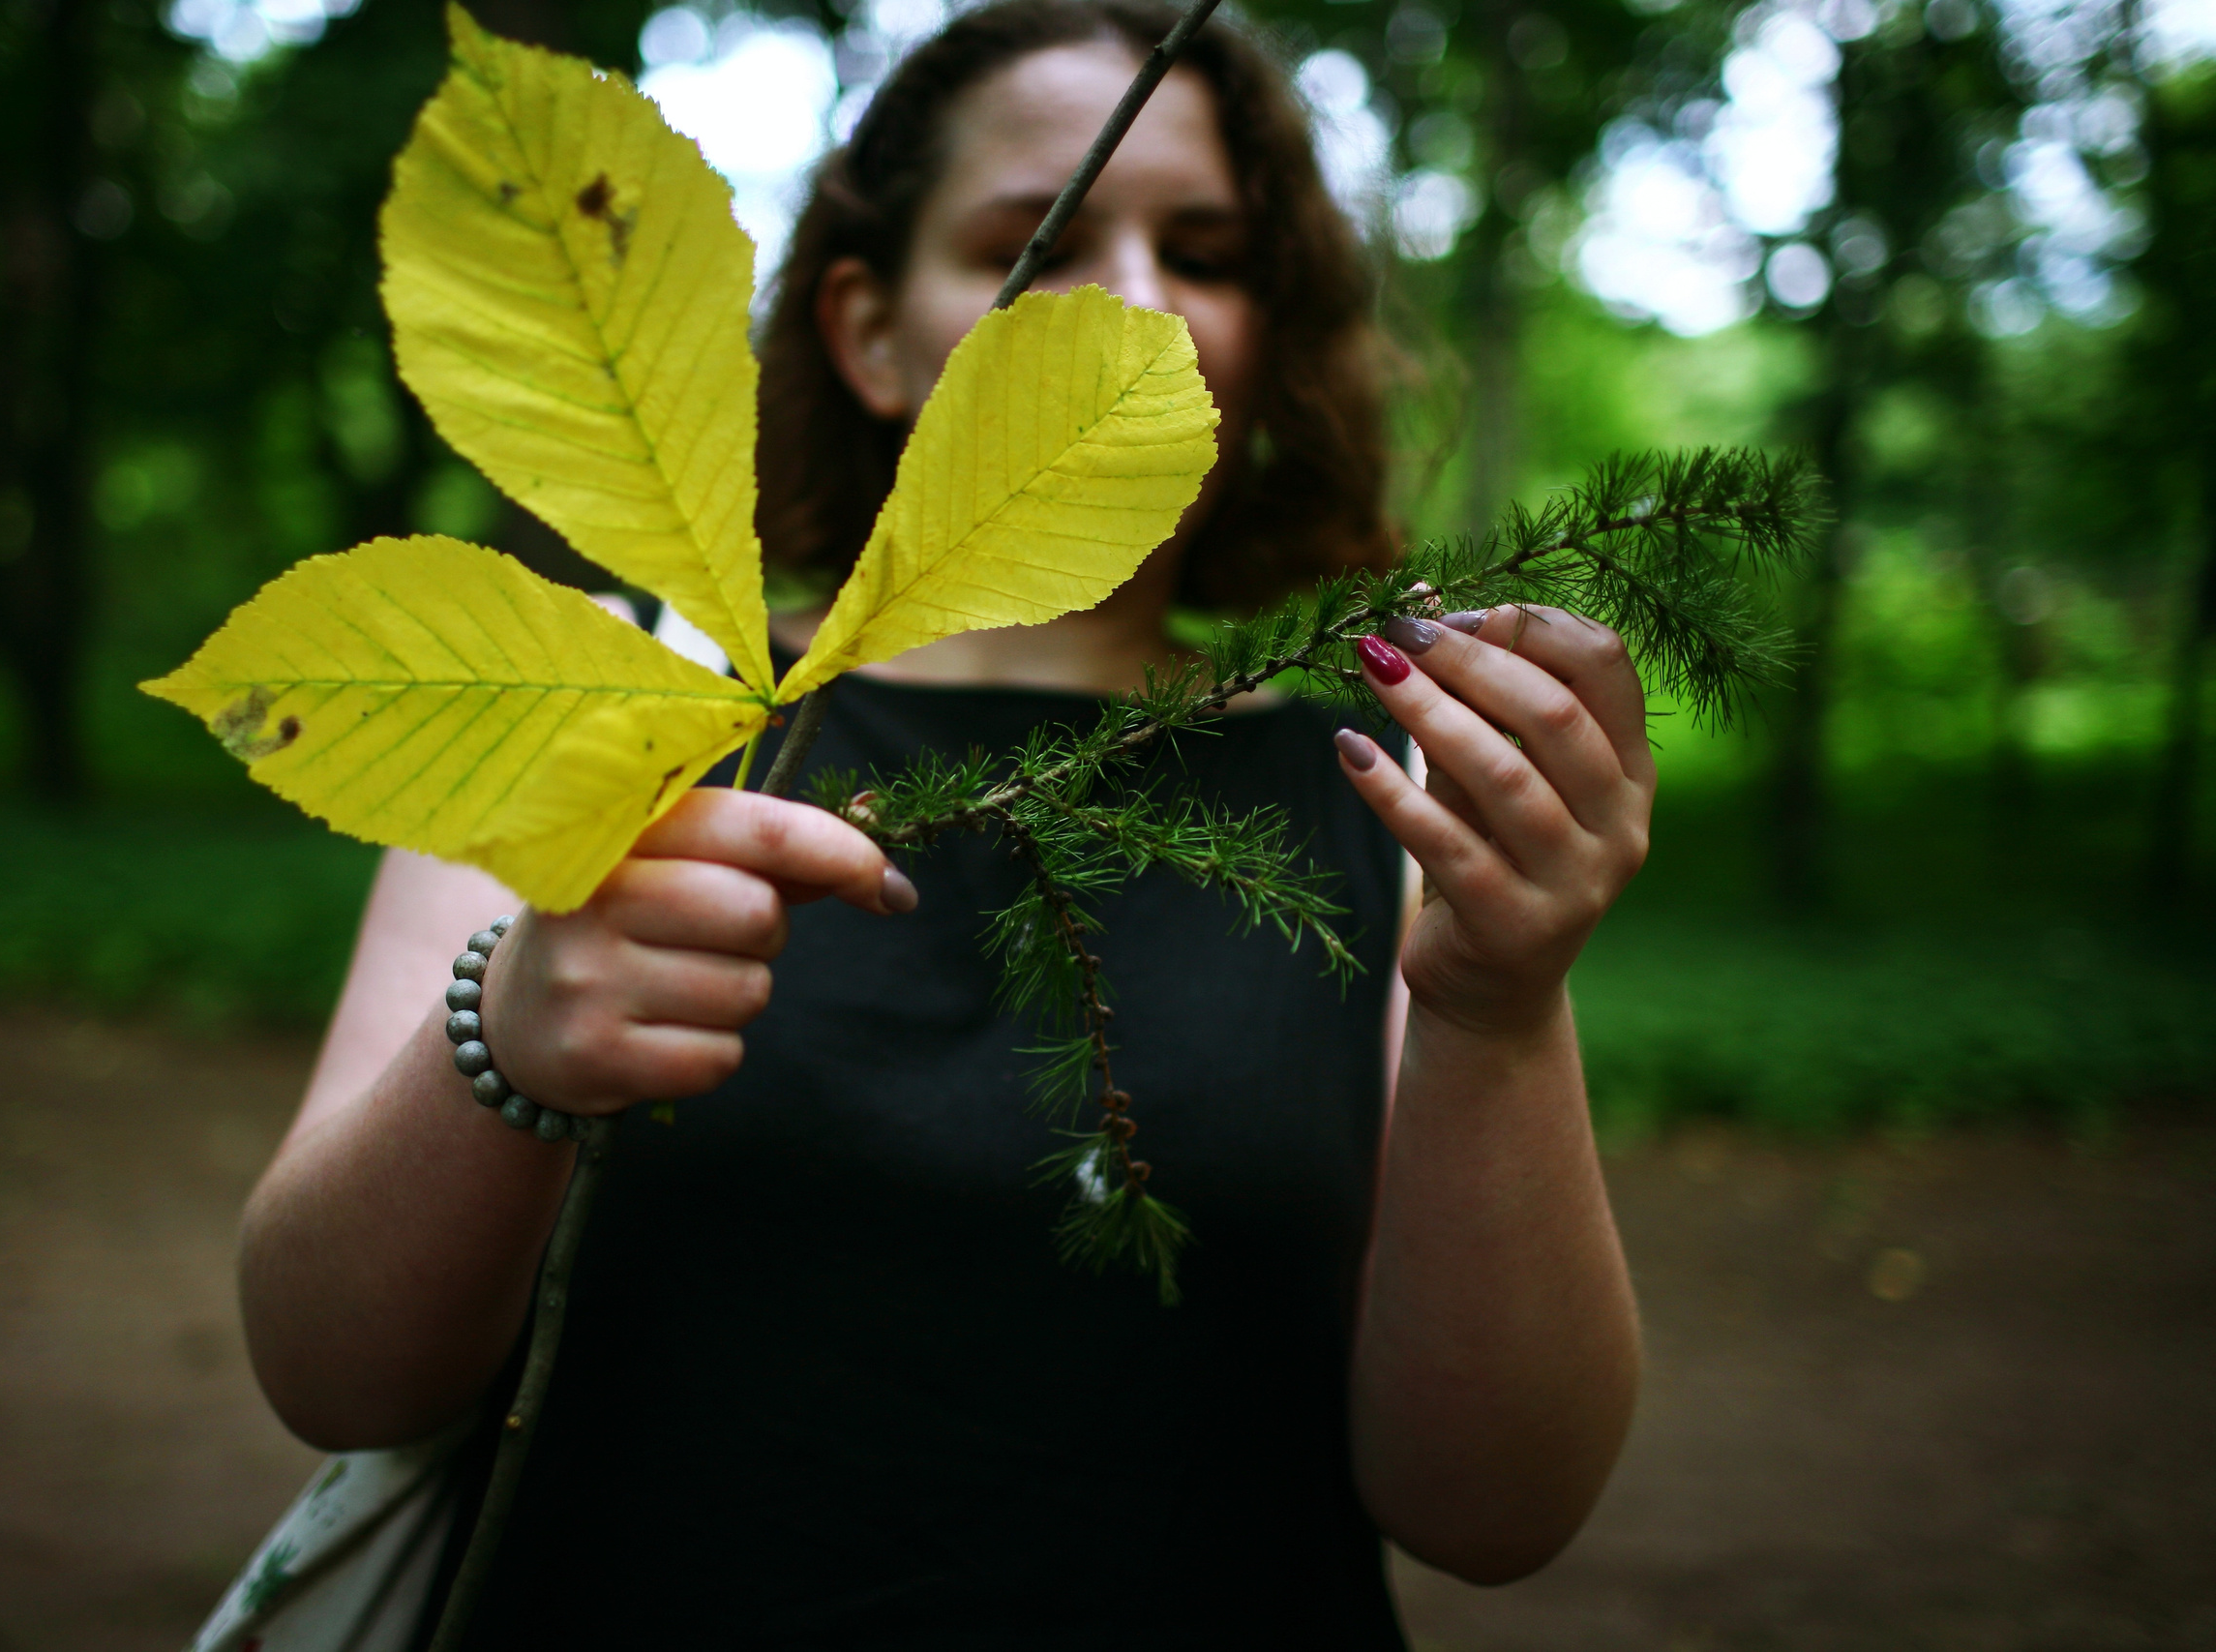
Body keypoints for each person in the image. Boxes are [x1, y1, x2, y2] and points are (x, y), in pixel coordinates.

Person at [237, 3, 1647, 1643]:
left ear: (1270, 336)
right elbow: (328, 1369)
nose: (1137, 304)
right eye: (1037, 242)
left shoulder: (1384, 801)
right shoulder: (614, 712)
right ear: (871, 332)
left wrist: (1498, 1008)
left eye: (1206, 250)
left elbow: (1496, 1514)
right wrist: (506, 1034)